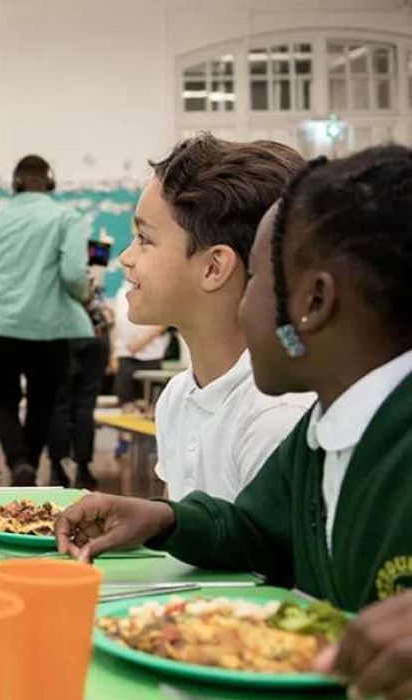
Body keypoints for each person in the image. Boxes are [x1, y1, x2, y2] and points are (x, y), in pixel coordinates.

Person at [55, 145, 412, 699]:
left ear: (312, 304)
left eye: (259, 288)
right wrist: (165, 519)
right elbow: (257, 532)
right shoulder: (317, 435)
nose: (244, 310)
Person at [123, 134, 314, 501]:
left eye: (145, 239)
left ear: (214, 267)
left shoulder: (278, 416)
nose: (126, 258)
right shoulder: (178, 397)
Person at [0, 155, 92, 486]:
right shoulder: (67, 217)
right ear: (49, 182)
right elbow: (73, 274)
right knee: (43, 401)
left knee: (3, 400)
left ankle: (17, 460)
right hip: (49, 325)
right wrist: (85, 295)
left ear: (15, 182)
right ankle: (31, 466)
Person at [48, 274, 111, 489]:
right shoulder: (88, 280)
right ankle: (83, 468)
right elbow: (103, 315)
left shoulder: (51, 280)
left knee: (59, 405)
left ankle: (58, 469)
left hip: (63, 337)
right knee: (85, 405)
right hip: (96, 336)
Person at [109, 279, 169, 410]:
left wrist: (141, 343)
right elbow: (116, 324)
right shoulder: (121, 292)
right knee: (126, 401)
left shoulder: (156, 288)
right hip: (125, 355)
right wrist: (113, 352)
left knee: (153, 403)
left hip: (151, 355)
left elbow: (165, 321)